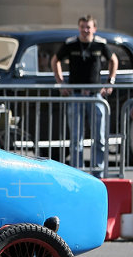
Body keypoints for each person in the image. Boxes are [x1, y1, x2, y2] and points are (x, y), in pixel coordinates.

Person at [50, 15, 118, 176]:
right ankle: (77, 174)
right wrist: (60, 82)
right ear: (79, 28)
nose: (85, 30)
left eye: (88, 27)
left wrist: (110, 81)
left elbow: (113, 60)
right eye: (82, 27)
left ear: (94, 29)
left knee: (100, 138)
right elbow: (55, 60)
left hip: (95, 96)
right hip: (76, 95)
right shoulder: (71, 44)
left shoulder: (100, 44)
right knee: (76, 139)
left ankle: (98, 174)